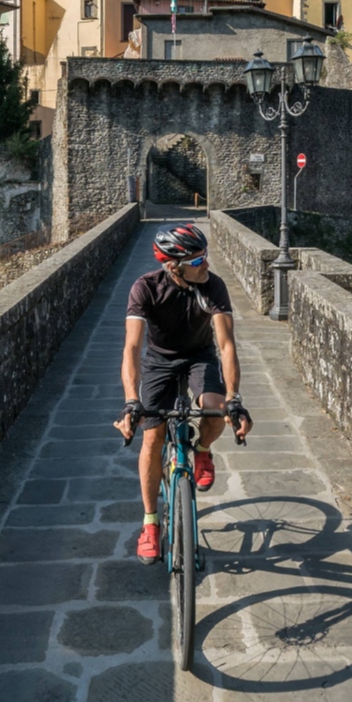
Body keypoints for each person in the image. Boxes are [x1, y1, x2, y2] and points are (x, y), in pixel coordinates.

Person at [115, 224, 252, 563]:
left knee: (215, 409)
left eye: (206, 255)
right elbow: (132, 347)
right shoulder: (145, 288)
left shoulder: (212, 286)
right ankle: (150, 523)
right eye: (199, 259)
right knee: (152, 438)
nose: (207, 264)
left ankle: (202, 449)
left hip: (199, 356)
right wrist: (132, 401)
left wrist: (234, 397)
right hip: (159, 362)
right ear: (175, 266)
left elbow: (226, 344)